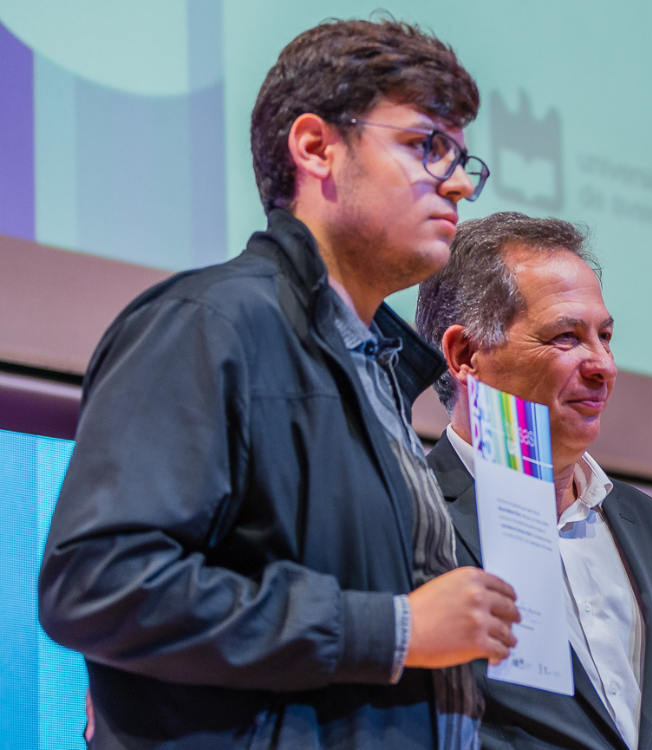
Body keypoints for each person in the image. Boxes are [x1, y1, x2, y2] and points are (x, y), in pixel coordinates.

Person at [39, 19, 515, 749]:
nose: (456, 181)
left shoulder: (379, 370)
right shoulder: (209, 323)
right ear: (317, 147)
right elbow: (99, 584)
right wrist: (392, 630)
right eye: (426, 145)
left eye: (460, 156)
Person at [415, 212, 652, 750]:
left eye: (604, 336)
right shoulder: (407, 516)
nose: (604, 365)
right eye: (566, 337)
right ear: (465, 355)